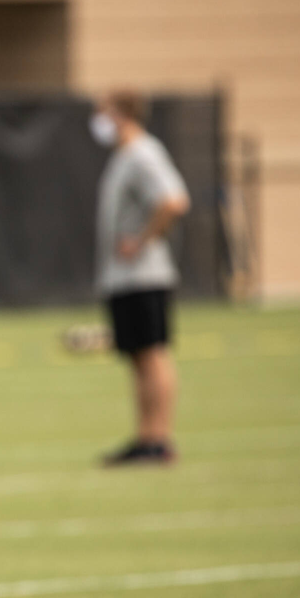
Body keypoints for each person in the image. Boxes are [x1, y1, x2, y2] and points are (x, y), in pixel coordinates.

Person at [90, 89, 191, 466]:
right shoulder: (124, 157)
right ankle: (146, 436)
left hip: (144, 276)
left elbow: (174, 200)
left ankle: (160, 439)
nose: (98, 123)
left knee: (152, 354)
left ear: (122, 115)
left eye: (104, 113)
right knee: (138, 357)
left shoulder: (144, 153)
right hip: (124, 279)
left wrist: (144, 240)